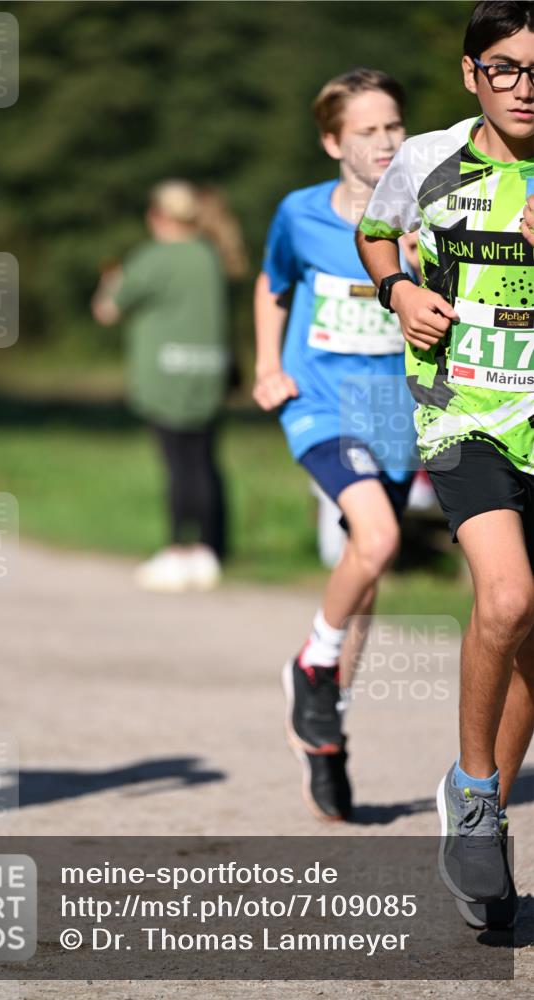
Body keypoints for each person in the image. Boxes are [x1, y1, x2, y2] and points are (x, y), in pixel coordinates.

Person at [356, 0, 534, 930]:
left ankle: (487, 817)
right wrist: (397, 291)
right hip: (465, 409)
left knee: (532, 633)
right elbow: (375, 231)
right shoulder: (425, 158)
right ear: (472, 75)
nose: (524, 87)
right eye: (504, 68)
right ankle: (471, 791)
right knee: (504, 598)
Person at [253, 69, 418, 821]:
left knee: (369, 571)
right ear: (331, 142)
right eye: (366, 131)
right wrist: (266, 365)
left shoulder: (434, 210)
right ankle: (311, 662)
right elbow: (270, 282)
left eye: (393, 127)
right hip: (319, 402)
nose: (384, 142)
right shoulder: (299, 214)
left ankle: (325, 729)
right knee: (378, 538)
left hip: (394, 414)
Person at [92, 180, 246, 592]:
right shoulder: (211, 255)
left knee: (179, 466)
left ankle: (180, 550)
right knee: (205, 462)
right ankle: (211, 552)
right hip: (209, 373)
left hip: (167, 375)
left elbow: (108, 309)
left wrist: (112, 280)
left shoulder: (154, 258)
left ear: (157, 216)